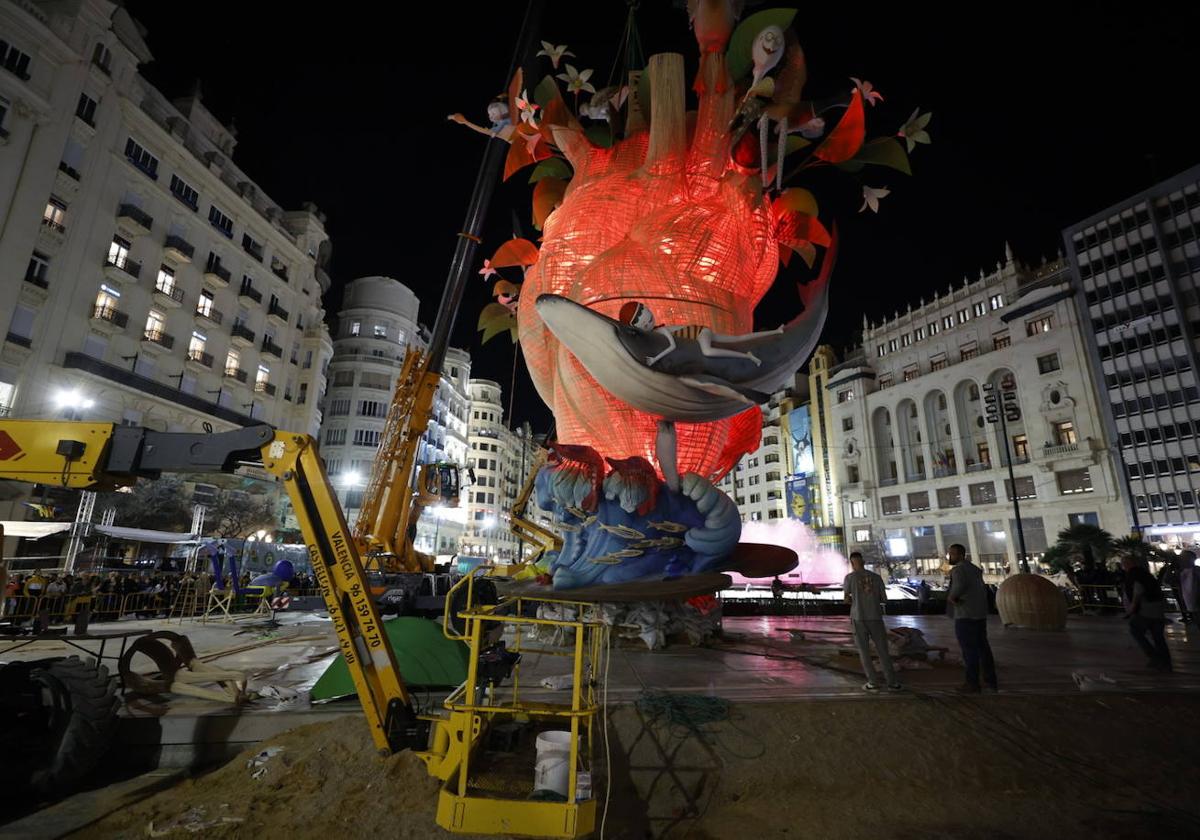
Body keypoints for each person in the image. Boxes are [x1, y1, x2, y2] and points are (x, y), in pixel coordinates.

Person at [843, 551, 901, 692]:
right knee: (883, 650)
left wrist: (855, 598)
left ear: (852, 563)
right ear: (863, 562)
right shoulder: (876, 577)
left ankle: (873, 682)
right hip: (875, 617)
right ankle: (892, 682)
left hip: (858, 618)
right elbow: (884, 599)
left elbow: (846, 599)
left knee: (864, 651)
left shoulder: (849, 578)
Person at [946, 543, 998, 693]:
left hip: (965, 614)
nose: (950, 557)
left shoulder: (958, 570)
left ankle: (972, 682)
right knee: (983, 648)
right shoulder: (975, 569)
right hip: (979, 614)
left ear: (961, 555)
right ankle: (990, 680)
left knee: (969, 650)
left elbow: (958, 587)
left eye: (953, 554)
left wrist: (952, 597)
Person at [1121, 554, 1172, 671]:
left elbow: (1137, 591)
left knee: (1135, 630)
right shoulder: (1145, 574)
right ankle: (1166, 662)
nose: (1123, 566)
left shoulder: (1134, 575)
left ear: (1128, 564)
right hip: (1157, 608)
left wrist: (1132, 609)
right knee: (1158, 637)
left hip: (1146, 609)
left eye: (1124, 563)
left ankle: (1154, 657)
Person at [1178, 550, 1199, 625]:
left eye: (1185, 558)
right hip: (1190, 606)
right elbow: (1167, 580)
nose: (1182, 560)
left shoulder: (1197, 571)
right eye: (1181, 558)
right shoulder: (1180, 573)